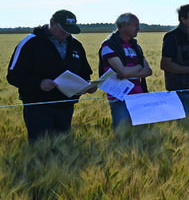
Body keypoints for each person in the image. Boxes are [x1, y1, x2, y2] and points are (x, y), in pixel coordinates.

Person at [7, 9, 94, 142]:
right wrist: (39, 84)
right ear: (52, 23)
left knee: (61, 150)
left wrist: (88, 85)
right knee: (40, 150)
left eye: (70, 30)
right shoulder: (31, 43)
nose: (67, 33)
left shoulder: (76, 45)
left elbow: (84, 72)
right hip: (38, 107)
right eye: (64, 29)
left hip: (66, 107)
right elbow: (13, 75)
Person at [99, 12, 152, 128]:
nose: (139, 28)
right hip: (120, 99)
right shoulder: (109, 46)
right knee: (123, 136)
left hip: (138, 97)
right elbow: (122, 72)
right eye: (135, 25)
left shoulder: (135, 46)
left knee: (140, 135)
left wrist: (129, 71)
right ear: (123, 26)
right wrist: (138, 67)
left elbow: (149, 71)